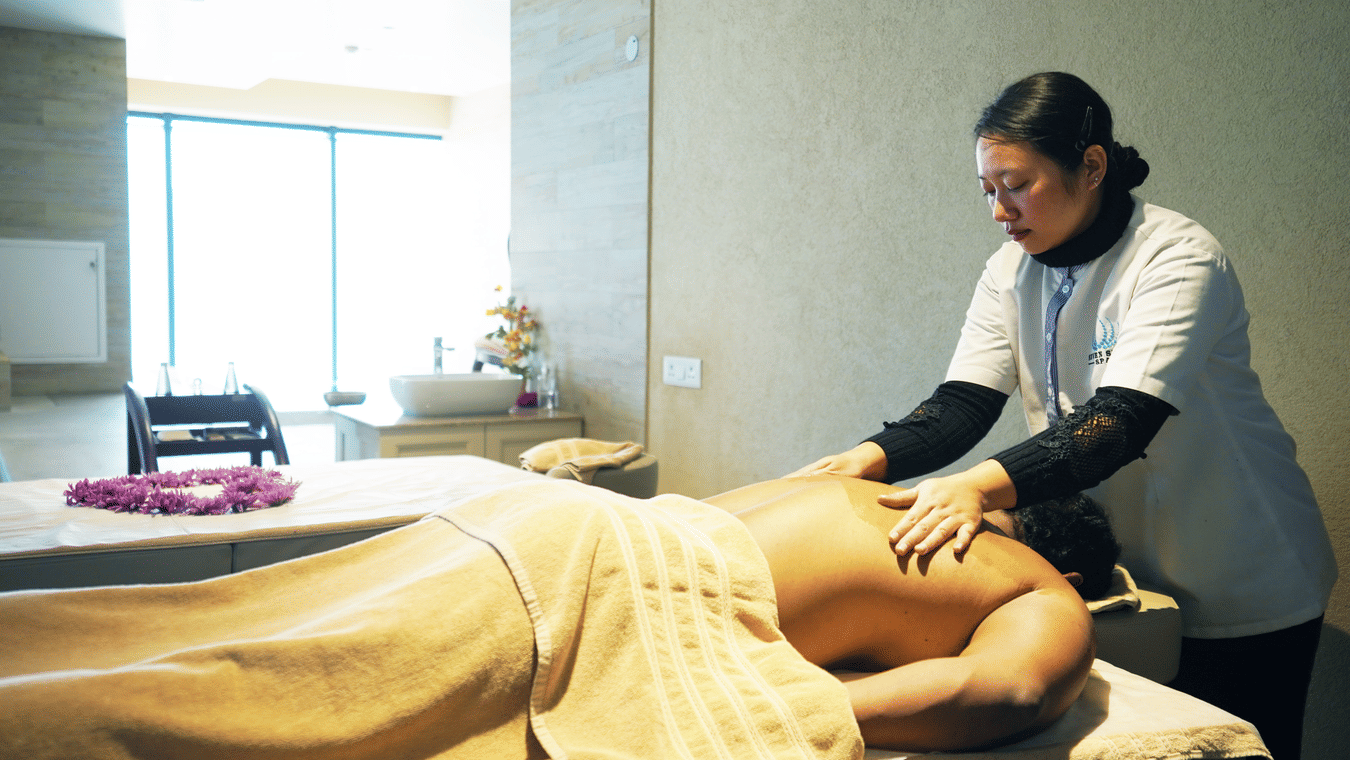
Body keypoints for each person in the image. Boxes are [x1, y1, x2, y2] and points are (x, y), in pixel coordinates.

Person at [789, 71, 1337, 759]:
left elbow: (1119, 422)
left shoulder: (1176, 256)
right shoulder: (1010, 271)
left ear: (1092, 166)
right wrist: (865, 459)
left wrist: (976, 487)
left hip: (1242, 571)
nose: (999, 210)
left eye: (1016, 185)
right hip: (1123, 574)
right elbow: (961, 405)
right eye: (988, 190)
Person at [709, 475, 1116, 751]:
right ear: (1073, 579)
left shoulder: (872, 489)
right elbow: (1015, 695)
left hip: (653, 521)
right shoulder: (1045, 586)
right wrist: (763, 706)